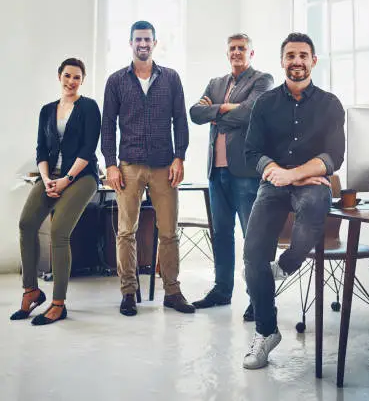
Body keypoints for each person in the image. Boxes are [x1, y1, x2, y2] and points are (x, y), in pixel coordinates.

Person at [242, 33, 345, 369]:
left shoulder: (330, 104)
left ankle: (286, 265)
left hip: (310, 185)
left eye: (303, 55)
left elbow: (334, 156)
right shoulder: (264, 104)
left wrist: (296, 175)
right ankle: (266, 332)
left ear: (314, 60)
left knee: (317, 202)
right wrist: (282, 174)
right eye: (290, 55)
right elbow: (252, 152)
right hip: (274, 185)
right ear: (282, 61)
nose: (297, 61)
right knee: (253, 255)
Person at [101, 20, 195, 316]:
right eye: (138, 40)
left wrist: (180, 156)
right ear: (131, 44)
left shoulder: (170, 78)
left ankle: (172, 291)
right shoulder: (116, 81)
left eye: (148, 40)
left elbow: (180, 119)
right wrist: (111, 164)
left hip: (164, 165)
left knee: (169, 231)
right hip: (128, 165)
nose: (143, 44)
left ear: (155, 43)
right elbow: (107, 126)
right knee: (126, 232)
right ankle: (128, 292)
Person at [11, 58, 101, 325]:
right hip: (52, 176)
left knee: (59, 231)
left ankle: (58, 303)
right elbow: (41, 149)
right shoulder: (47, 110)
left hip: (82, 176)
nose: (71, 81)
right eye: (67, 76)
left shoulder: (89, 107)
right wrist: (48, 178)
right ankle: (31, 292)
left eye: (77, 77)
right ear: (59, 76)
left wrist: (67, 179)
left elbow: (88, 149)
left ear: (82, 80)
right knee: (26, 223)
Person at [190, 33, 273, 319]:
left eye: (242, 48)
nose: (237, 52)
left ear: (251, 53)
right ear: (227, 54)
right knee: (222, 234)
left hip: (246, 172)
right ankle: (222, 291)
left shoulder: (263, 80)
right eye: (232, 49)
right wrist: (226, 108)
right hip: (217, 171)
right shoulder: (216, 83)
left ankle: (258, 298)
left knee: (252, 237)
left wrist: (215, 112)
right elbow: (196, 113)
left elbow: (251, 113)